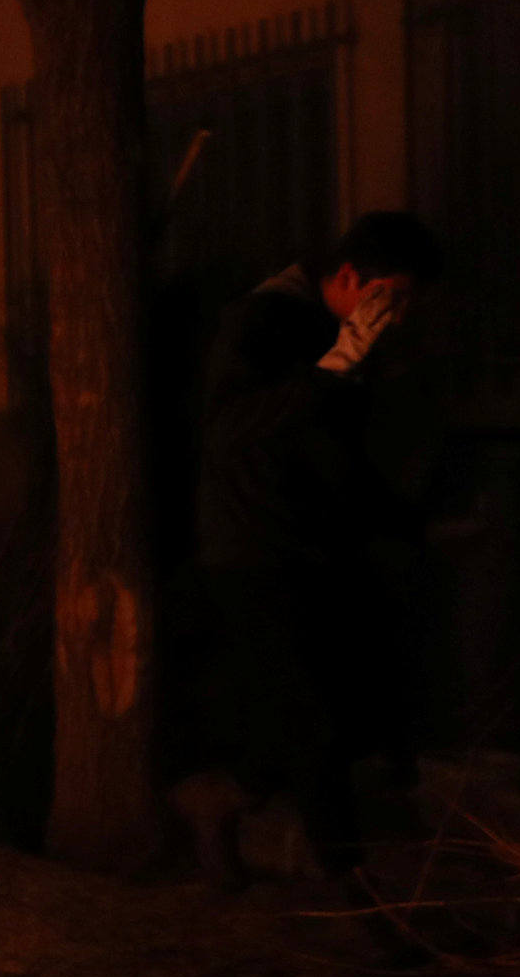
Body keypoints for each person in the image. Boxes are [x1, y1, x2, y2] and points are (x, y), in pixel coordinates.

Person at [181, 210, 444, 895]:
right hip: (251, 546)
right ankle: (348, 885)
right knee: (314, 717)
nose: (402, 314)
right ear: (350, 276)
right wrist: (336, 367)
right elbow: (232, 430)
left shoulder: (343, 336)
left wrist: (410, 525)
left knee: (334, 707)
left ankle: (220, 797)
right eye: (395, 295)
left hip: (311, 547)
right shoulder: (261, 322)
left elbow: (336, 457)